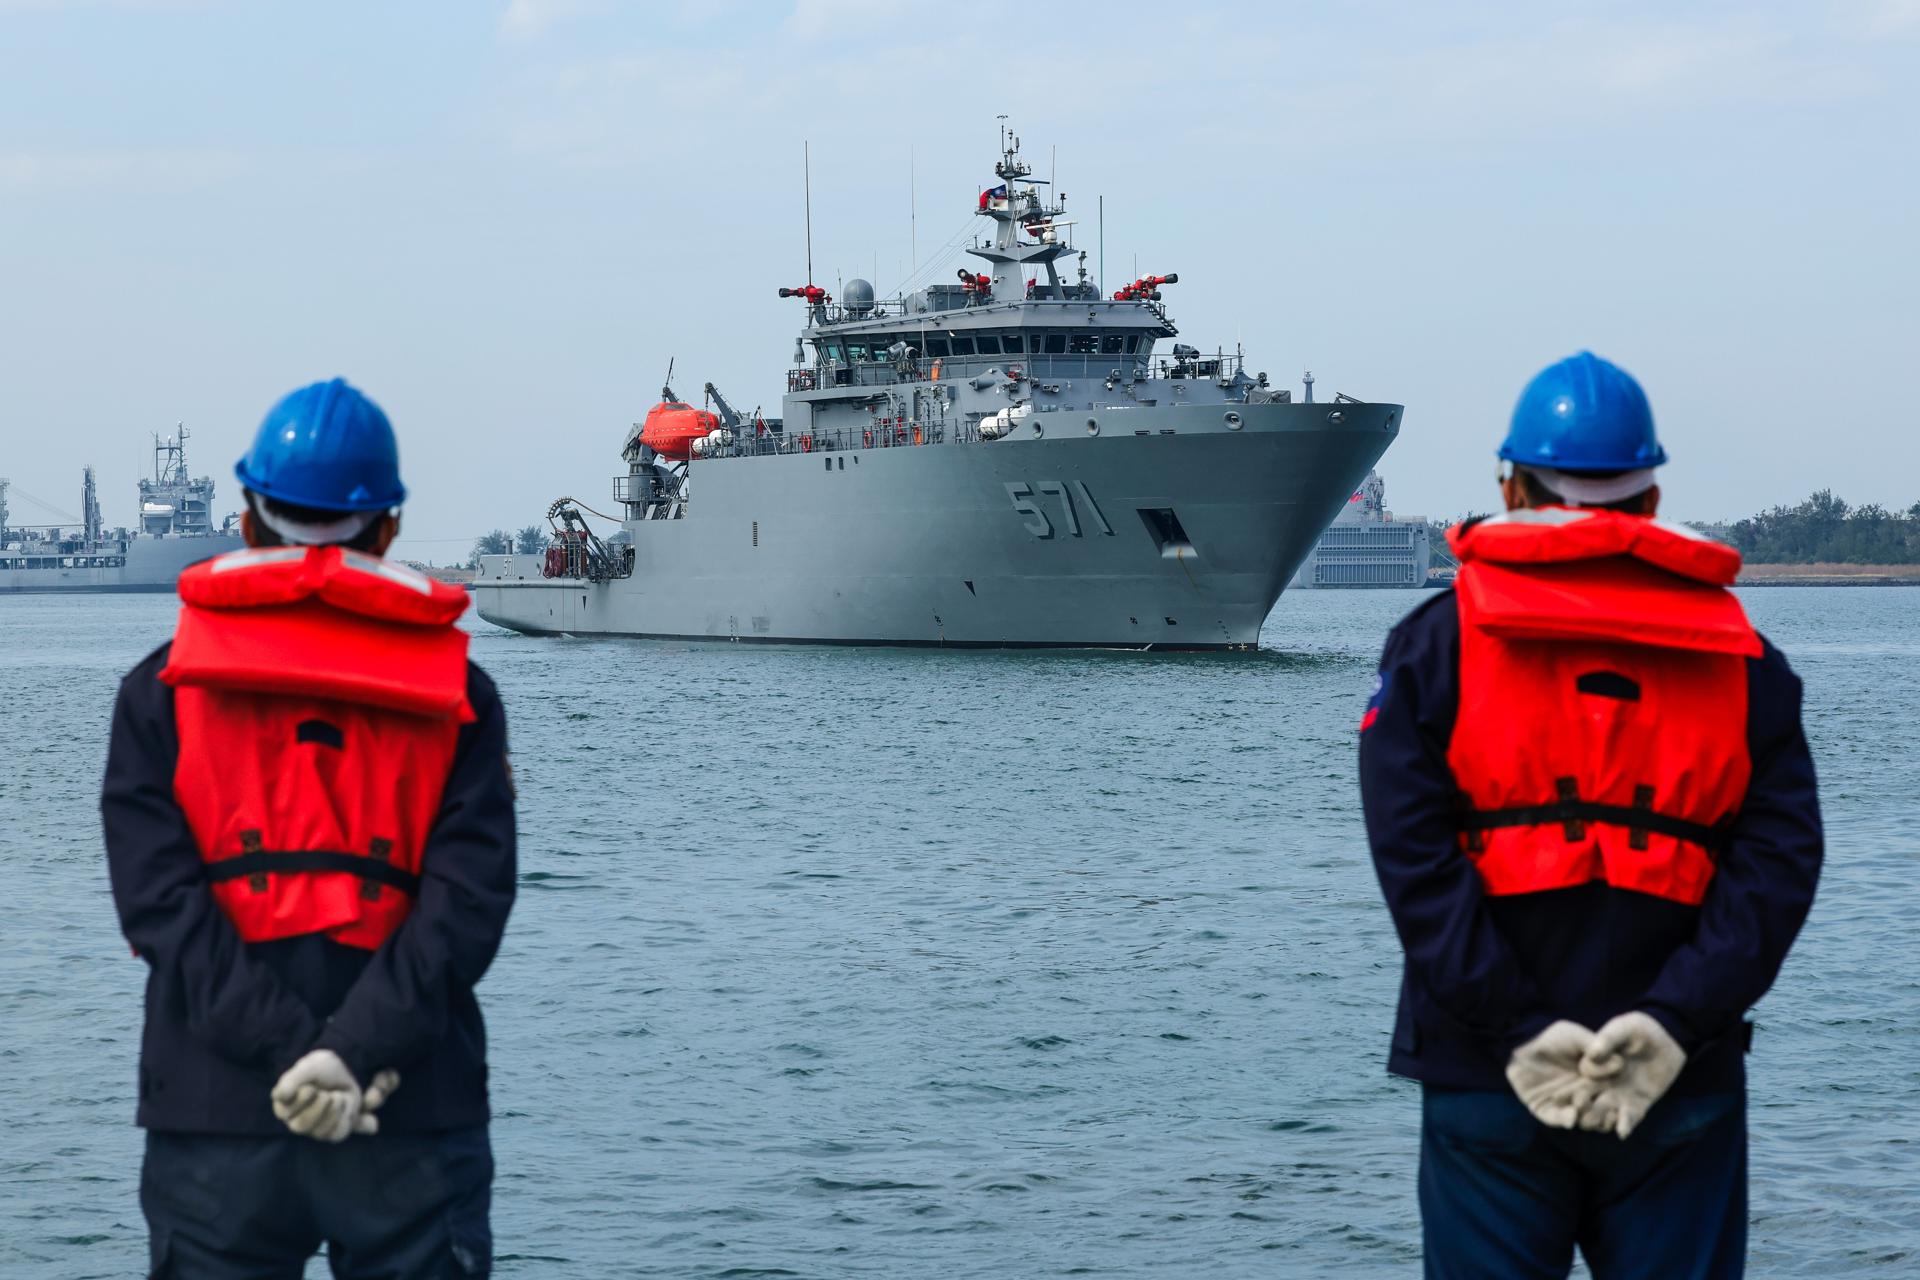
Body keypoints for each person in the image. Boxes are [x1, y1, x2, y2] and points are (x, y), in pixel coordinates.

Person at [1357, 352, 1822, 1278]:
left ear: (1511, 484)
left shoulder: (1433, 649)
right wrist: (1669, 1028)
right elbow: (1777, 872)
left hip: (1486, 1077)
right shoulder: (1748, 663)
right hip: (1678, 1082)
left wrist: (1520, 1032)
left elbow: (1415, 866)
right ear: (1649, 501)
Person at [101, 378, 517, 1278]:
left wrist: (288, 1055)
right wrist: (347, 1058)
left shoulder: (157, 694)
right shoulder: (464, 700)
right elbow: (464, 914)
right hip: (408, 1110)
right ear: (389, 529)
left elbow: (160, 909)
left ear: (248, 521)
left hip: (214, 1117)